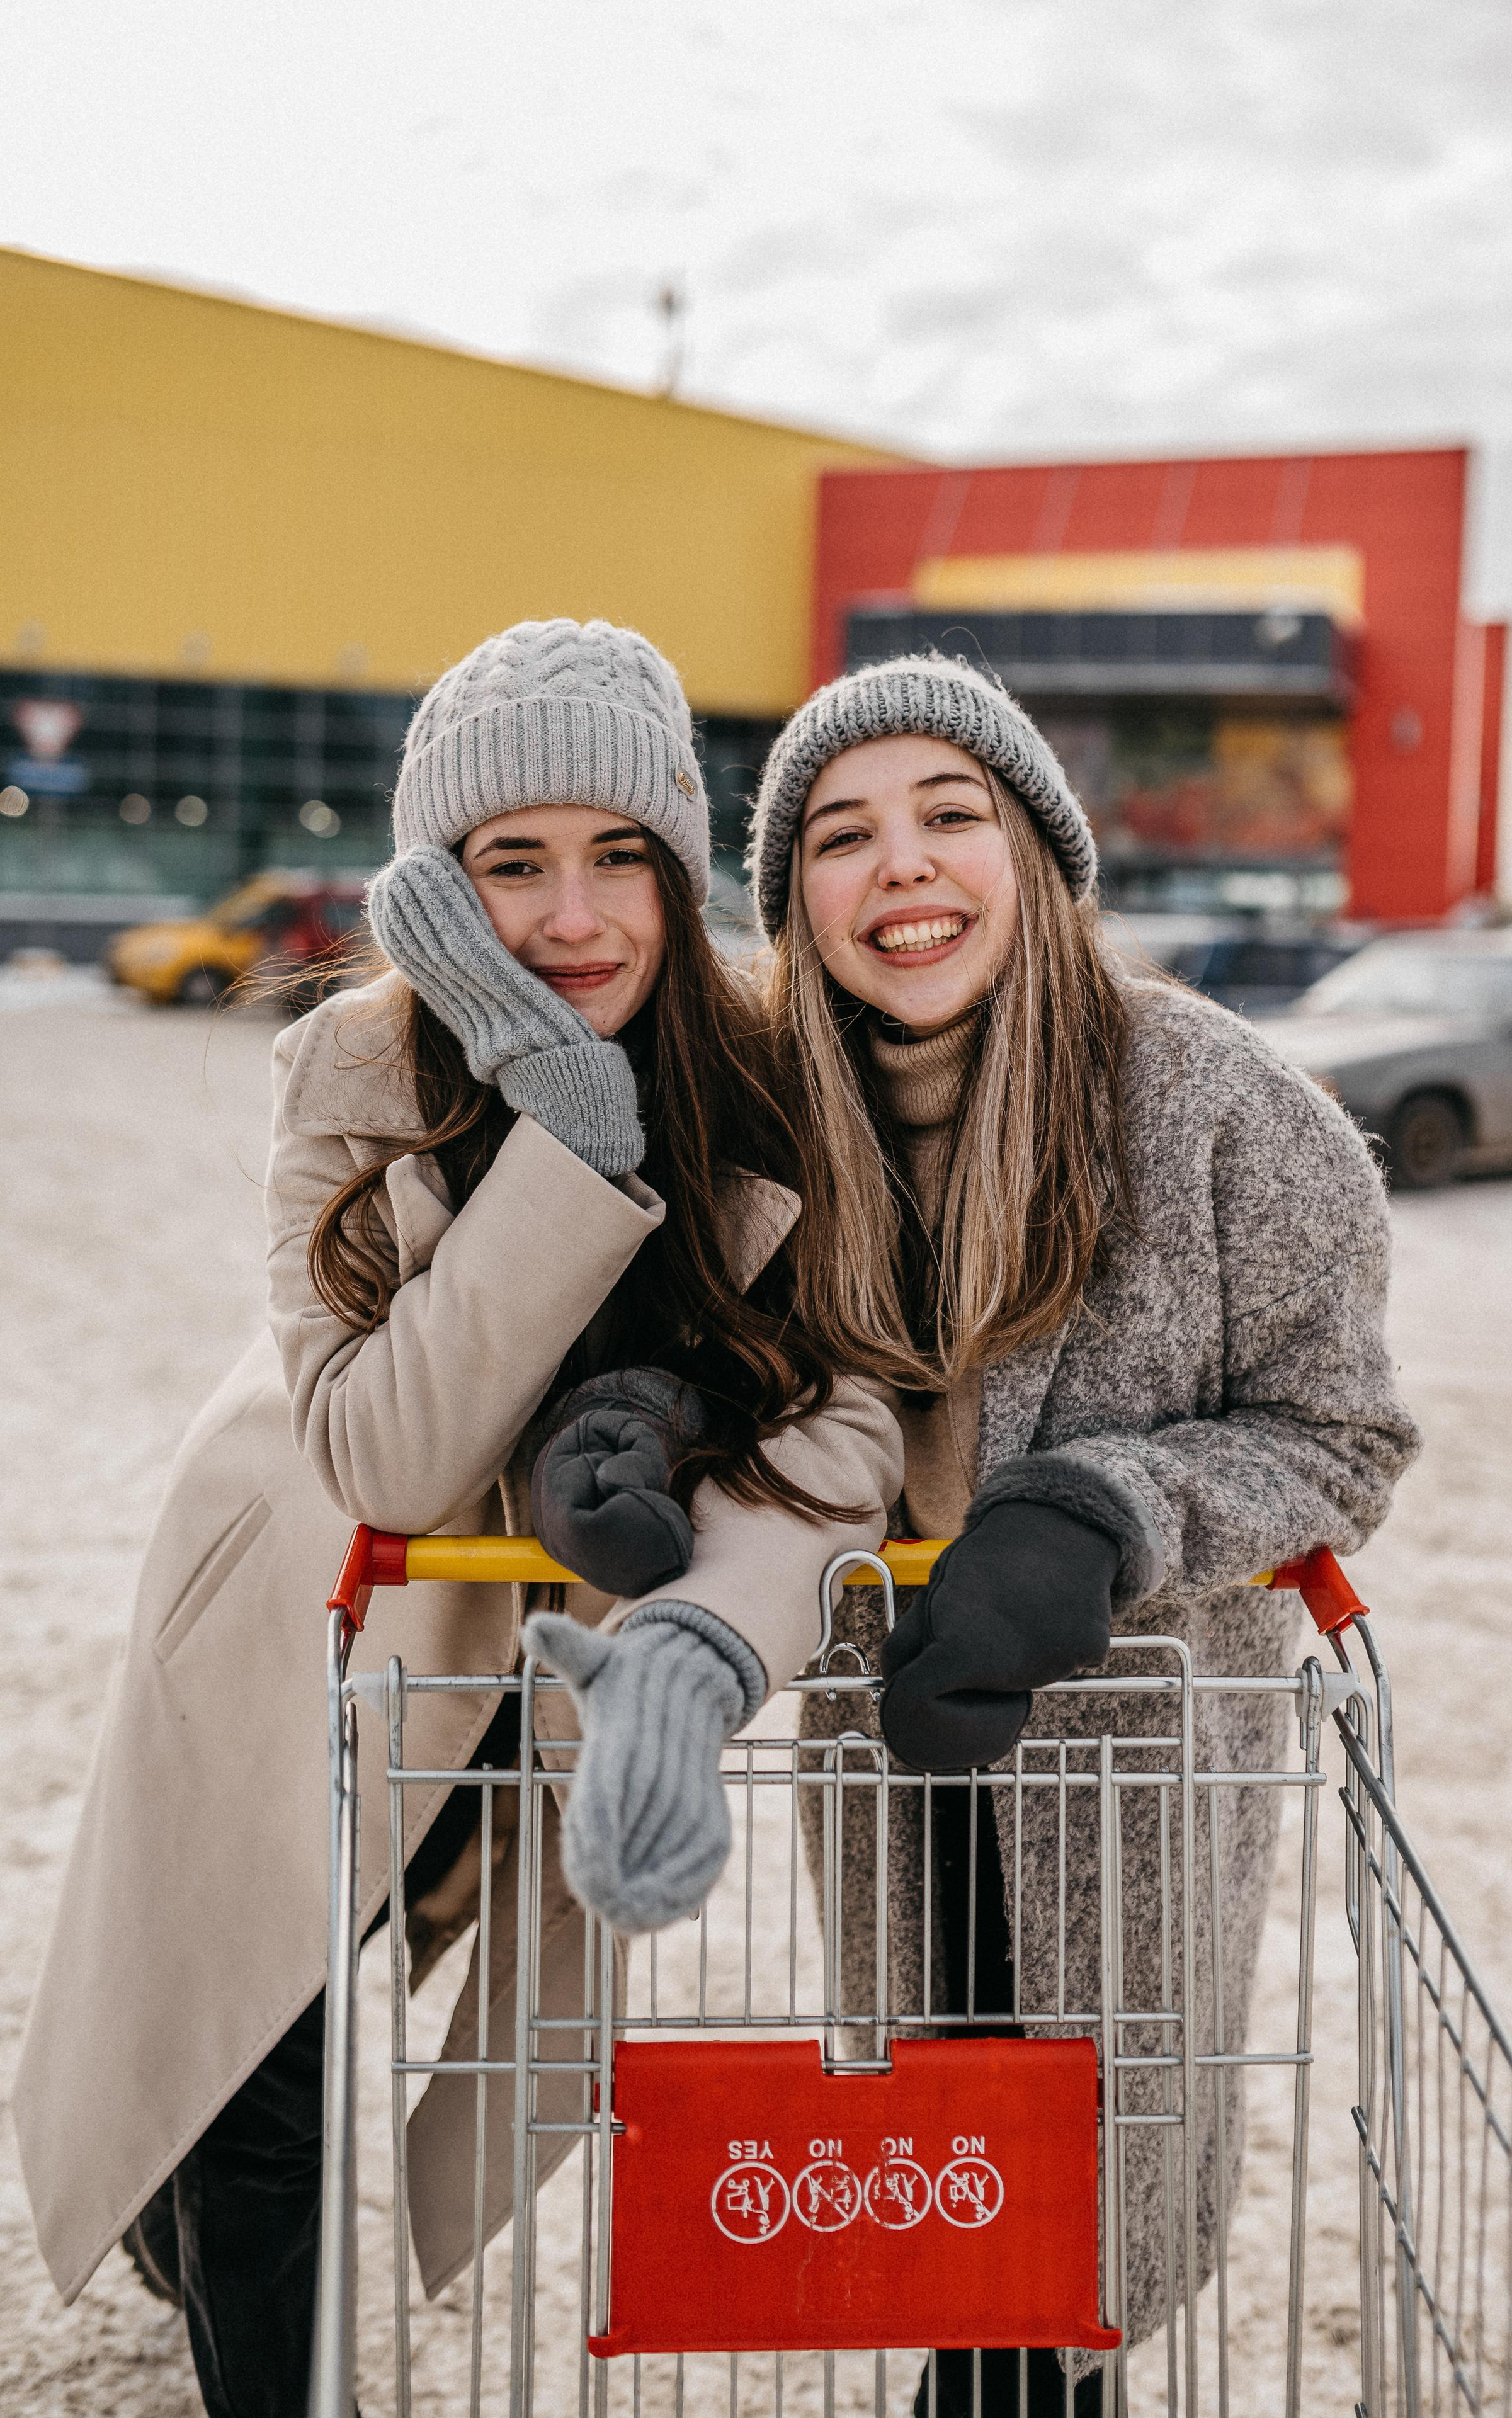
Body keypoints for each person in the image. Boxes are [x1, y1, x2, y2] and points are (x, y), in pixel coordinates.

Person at [14, 620, 901, 2418]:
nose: (572, 916)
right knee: (263, 2042)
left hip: (549, 1635)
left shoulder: (773, 1078)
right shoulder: (356, 1068)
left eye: (615, 858)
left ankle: (202, 2245)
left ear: (672, 865)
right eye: (512, 865)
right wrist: (567, 1135)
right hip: (315, 1594)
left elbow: (849, 1388)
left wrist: (684, 1419)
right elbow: (391, 1452)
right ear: (438, 889)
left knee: (374, 1969)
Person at [742, 653, 1421, 2417]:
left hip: (1131, 1788)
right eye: (842, 834)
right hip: (890, 1758)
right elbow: (715, 1369)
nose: (901, 867)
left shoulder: (1220, 1111)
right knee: (941, 2190)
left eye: (949, 815)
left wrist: (1106, 1511)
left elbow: (1338, 1433)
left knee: (1083, 2234)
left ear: (1041, 857)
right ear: (794, 899)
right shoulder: (764, 1128)